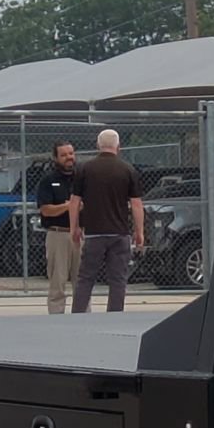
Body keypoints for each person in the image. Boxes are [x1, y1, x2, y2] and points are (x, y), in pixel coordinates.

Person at [70, 128, 144, 313]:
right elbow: (136, 204)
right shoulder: (127, 169)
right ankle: (114, 315)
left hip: (94, 232)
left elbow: (74, 202)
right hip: (119, 232)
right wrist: (139, 231)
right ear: (118, 146)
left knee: (86, 278)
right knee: (118, 279)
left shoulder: (85, 168)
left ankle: (77, 315)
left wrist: (75, 227)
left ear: (98, 145)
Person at [36, 141, 79, 313]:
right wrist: (68, 206)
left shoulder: (82, 177)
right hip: (58, 235)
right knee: (58, 280)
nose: (69, 157)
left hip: (80, 234)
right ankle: (56, 317)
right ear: (56, 158)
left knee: (82, 281)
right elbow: (46, 210)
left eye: (71, 153)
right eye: (64, 155)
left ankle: (84, 317)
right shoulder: (48, 181)